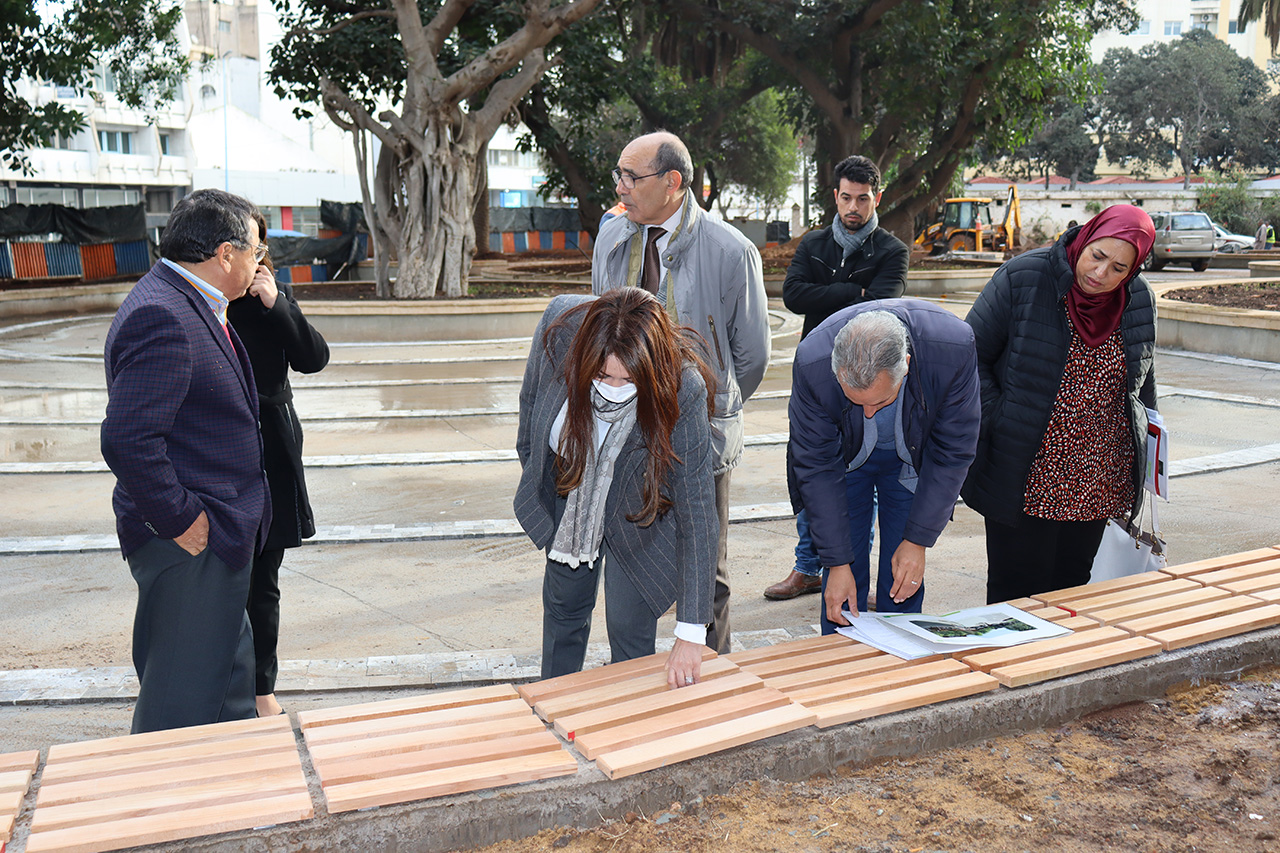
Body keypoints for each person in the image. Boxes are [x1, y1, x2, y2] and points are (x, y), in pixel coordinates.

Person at [592, 131, 770, 654]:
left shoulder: (730, 250)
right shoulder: (612, 236)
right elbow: (600, 327)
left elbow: (752, 357)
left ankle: (711, 682)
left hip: (699, 433)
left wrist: (707, 407)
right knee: (626, 555)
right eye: (618, 175)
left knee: (705, 564)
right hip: (621, 423)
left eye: (632, 176)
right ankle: (637, 684)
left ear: (672, 182)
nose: (621, 187)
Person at [101, 188, 270, 733]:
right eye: (256, 253)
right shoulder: (164, 314)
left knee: (227, 687)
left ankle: (228, 808)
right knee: (179, 708)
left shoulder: (191, 301)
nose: (257, 263)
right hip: (190, 541)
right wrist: (180, 519)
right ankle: (164, 815)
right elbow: (128, 439)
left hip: (218, 535)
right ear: (226, 254)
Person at [514, 289, 718, 688]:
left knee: (629, 626)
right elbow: (532, 408)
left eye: (629, 380)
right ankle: (556, 701)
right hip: (571, 491)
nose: (614, 388)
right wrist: (547, 477)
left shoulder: (683, 385)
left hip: (639, 509)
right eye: (603, 375)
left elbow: (698, 510)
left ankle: (628, 726)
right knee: (564, 607)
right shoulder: (561, 331)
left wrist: (691, 633)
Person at [961, 205, 1158, 604]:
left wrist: (1149, 443)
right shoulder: (1023, 278)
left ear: (1133, 270)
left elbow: (1143, 378)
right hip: (1026, 469)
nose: (1101, 274)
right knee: (1015, 593)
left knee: (1071, 590)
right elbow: (968, 357)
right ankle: (1011, 666)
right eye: (1097, 256)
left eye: (1119, 268)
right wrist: (1001, 417)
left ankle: (1059, 668)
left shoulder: (1138, 299)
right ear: (1085, 238)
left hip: (1099, 476)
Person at [787, 301, 980, 633]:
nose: (869, 413)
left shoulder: (952, 349)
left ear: (906, 365)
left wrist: (919, 540)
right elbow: (815, 466)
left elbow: (953, 451)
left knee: (904, 572)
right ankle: (843, 663)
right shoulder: (813, 362)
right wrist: (835, 563)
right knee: (843, 577)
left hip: (911, 464)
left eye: (881, 401)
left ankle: (899, 664)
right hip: (843, 464)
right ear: (837, 371)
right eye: (856, 401)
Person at [768, 154, 909, 601]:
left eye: (862, 199)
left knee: (862, 475)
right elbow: (792, 295)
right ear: (835, 195)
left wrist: (828, 296)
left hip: (870, 383)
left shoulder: (892, 250)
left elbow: (882, 305)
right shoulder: (813, 245)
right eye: (846, 197)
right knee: (811, 472)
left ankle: (857, 578)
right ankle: (809, 567)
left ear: (877, 197)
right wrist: (854, 291)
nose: (853, 207)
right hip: (817, 378)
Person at [227, 214, 330, 718]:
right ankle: (223, 681)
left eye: (259, 243)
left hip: (273, 444)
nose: (255, 253)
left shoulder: (272, 296)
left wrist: (279, 306)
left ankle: (262, 686)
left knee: (264, 577)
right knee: (224, 576)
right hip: (223, 446)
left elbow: (313, 358)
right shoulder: (206, 300)